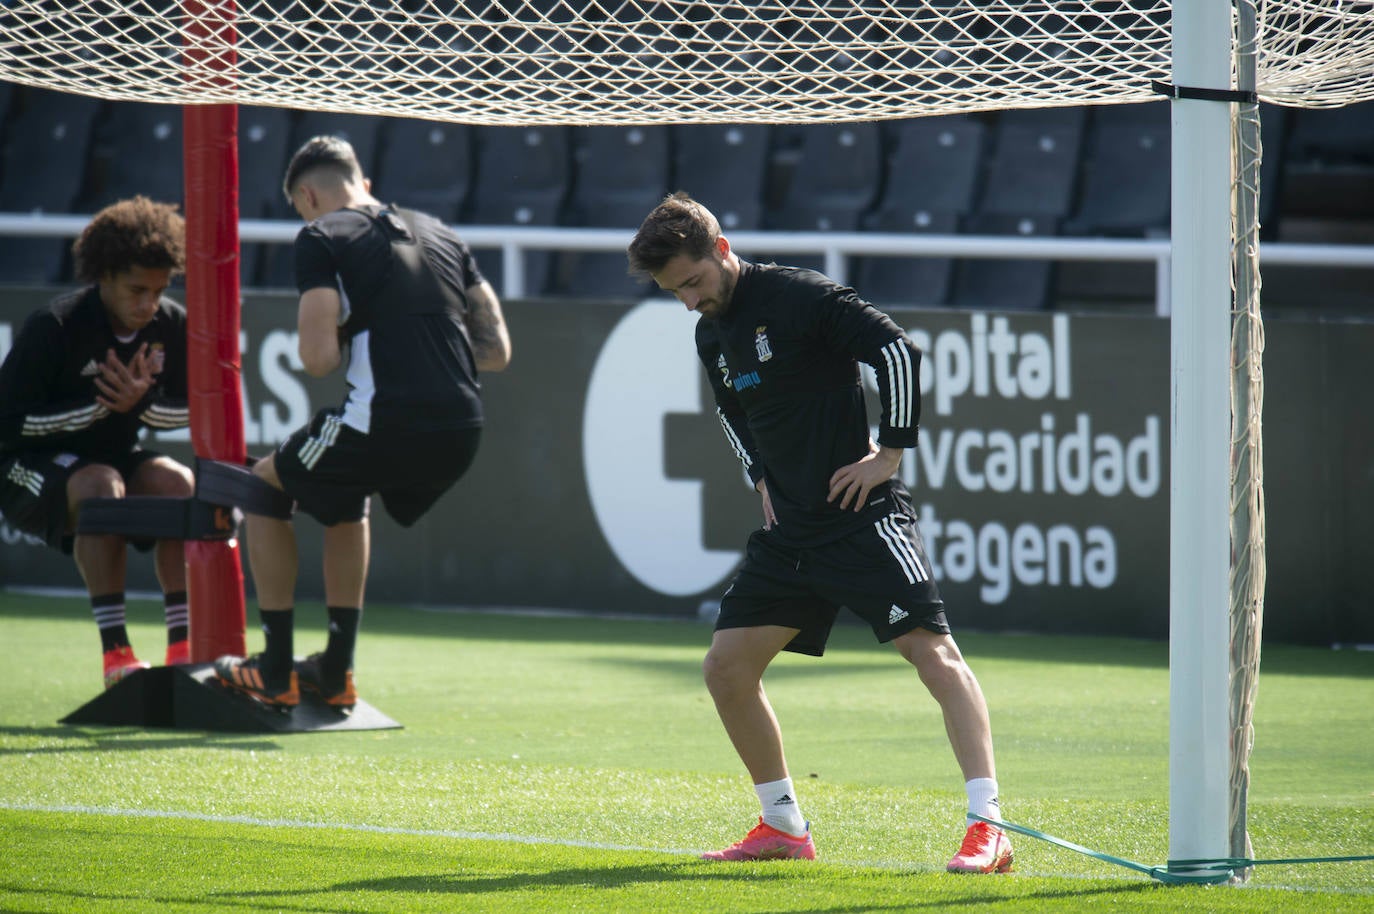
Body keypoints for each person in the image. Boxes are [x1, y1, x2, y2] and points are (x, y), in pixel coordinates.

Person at [626, 191, 1012, 873]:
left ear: (720, 251)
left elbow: (897, 351)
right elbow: (733, 415)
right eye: (673, 292)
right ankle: (783, 826)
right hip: (792, 535)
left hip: (861, 518)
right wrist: (759, 482)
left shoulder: (799, 296)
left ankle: (989, 826)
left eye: (692, 282)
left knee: (933, 655)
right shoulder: (708, 331)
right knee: (726, 669)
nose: (688, 300)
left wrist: (888, 454)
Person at [213, 135, 512, 712]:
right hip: (463, 426)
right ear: (365, 184)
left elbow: (318, 359)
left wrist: (356, 329)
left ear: (307, 195)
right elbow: (497, 349)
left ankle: (274, 671)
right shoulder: (442, 233)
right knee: (345, 496)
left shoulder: (321, 236)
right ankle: (335, 670)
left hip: (386, 417)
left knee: (261, 483)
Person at [0, 196, 195, 689]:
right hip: (27, 468)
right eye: (136, 290)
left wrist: (141, 403)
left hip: (110, 457)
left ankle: (183, 651)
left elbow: (199, 410)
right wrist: (103, 408)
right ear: (102, 275)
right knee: (100, 484)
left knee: (178, 484)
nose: (148, 304)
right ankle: (117, 658)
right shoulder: (55, 326)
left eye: (158, 290)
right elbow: (7, 422)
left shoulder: (170, 324)